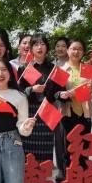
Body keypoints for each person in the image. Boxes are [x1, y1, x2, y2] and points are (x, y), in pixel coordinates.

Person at [55, 39, 92, 172]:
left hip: (85, 113)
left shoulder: (88, 69)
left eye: (79, 49)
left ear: (83, 52)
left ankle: (83, 179)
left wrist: (89, 93)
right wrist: (63, 94)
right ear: (68, 50)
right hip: (67, 113)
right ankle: (69, 178)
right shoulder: (60, 70)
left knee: (84, 149)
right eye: (73, 49)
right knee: (68, 149)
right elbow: (54, 93)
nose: (76, 52)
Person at [17, 33, 58, 162]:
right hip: (30, 110)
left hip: (48, 110)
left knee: (46, 149)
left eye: (42, 44)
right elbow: (19, 92)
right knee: (28, 149)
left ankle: (46, 174)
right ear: (31, 48)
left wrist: (59, 94)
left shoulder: (53, 68)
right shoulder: (24, 68)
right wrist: (32, 89)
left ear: (47, 48)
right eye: (36, 44)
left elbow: (57, 91)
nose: (39, 47)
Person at [52, 36, 70, 181]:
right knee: (58, 141)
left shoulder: (73, 64)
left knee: (70, 140)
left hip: (70, 107)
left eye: (63, 46)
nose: (60, 48)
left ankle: (71, 171)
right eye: (58, 46)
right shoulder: (52, 65)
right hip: (54, 108)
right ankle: (61, 170)